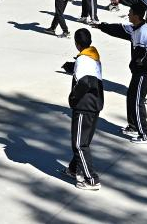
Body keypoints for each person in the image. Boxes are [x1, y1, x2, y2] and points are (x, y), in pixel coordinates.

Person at [93, 2, 147, 144]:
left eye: (130, 12)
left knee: (137, 102)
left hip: (143, 73)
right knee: (131, 97)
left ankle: (145, 135)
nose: (128, 14)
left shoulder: (144, 32)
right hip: (137, 71)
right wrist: (101, 26)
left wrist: (141, 63)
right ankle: (133, 126)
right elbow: (119, 29)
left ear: (136, 16)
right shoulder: (134, 28)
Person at [61, 28, 104, 190]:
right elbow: (90, 76)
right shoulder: (93, 56)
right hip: (95, 103)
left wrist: (73, 97)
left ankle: (91, 179)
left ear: (77, 44)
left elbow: (85, 82)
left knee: (79, 144)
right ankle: (74, 169)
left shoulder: (83, 60)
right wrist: (72, 66)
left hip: (84, 105)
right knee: (83, 141)